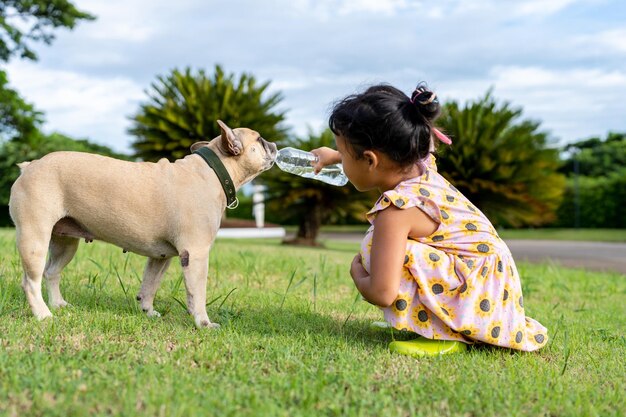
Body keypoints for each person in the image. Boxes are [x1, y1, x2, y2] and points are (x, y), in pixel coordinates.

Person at [311, 83, 548, 356]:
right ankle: (431, 324)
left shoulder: (396, 210)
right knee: (385, 248)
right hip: (489, 290)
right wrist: (338, 156)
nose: (342, 161)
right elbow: (383, 154)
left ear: (370, 160)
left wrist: (357, 274)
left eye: (342, 151)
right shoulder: (420, 166)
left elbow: (382, 292)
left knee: (373, 250)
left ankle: (446, 334)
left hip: (476, 296)